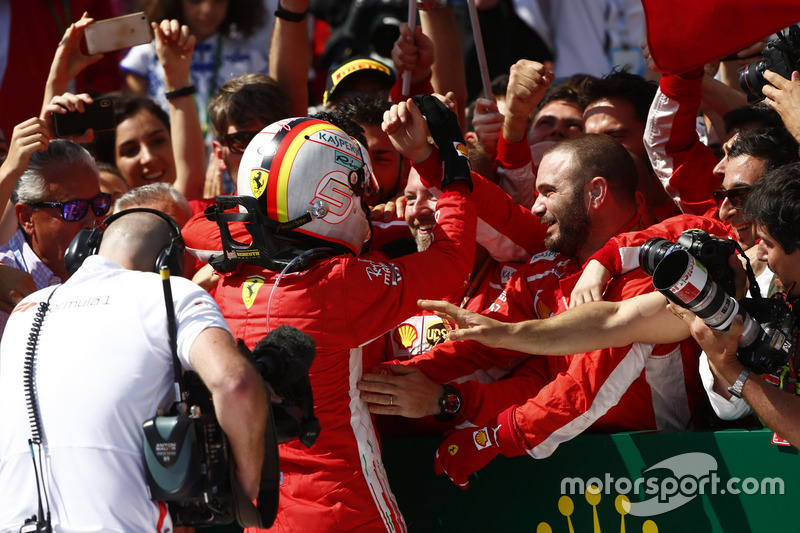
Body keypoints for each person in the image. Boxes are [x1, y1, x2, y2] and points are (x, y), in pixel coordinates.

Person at [358, 134, 706, 489]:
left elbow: (583, 390)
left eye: (549, 191)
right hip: (571, 463)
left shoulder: (653, 273)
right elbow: (481, 344)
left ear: (596, 193)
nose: (536, 206)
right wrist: (380, 381)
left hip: (660, 469)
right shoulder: (548, 268)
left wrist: (489, 437)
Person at [210, 98, 476, 532]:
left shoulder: (229, 280)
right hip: (345, 505)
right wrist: (452, 164)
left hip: (264, 509)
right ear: (329, 193)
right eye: (359, 191)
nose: (367, 205)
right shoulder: (341, 285)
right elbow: (451, 264)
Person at [0, 209, 267, 532]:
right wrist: (246, 483)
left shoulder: (25, 311)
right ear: (167, 262)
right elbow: (234, 382)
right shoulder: (170, 294)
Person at [0, 139, 109, 337]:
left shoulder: (118, 262)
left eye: (100, 204)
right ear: (27, 218)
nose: (93, 221)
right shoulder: (4, 280)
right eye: (74, 209)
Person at [121, 0, 271, 140]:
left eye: (218, 0)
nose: (207, 10)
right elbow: (135, 116)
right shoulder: (146, 54)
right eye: (195, 0)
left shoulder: (250, 57)